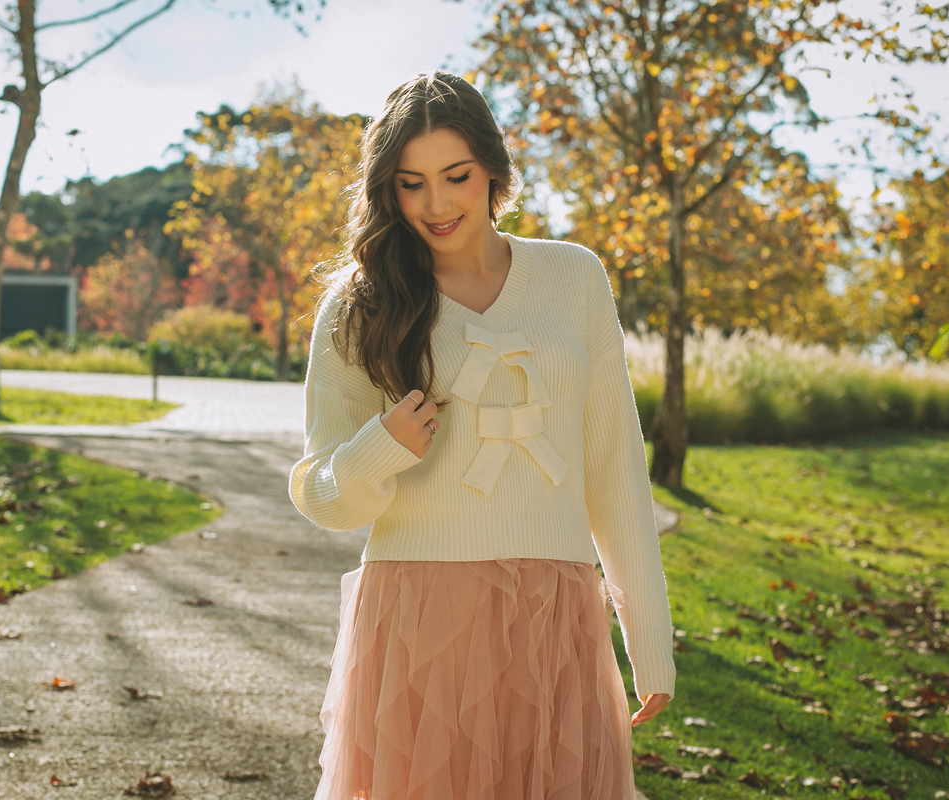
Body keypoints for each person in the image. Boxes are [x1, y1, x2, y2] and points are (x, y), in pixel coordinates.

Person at [289, 71, 675, 800]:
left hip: (555, 619)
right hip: (417, 622)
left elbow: (616, 471)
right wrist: (378, 450)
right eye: (410, 184)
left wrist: (647, 636)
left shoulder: (575, 276)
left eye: (456, 176)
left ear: (494, 169)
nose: (436, 205)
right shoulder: (360, 303)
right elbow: (319, 493)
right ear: (386, 190)